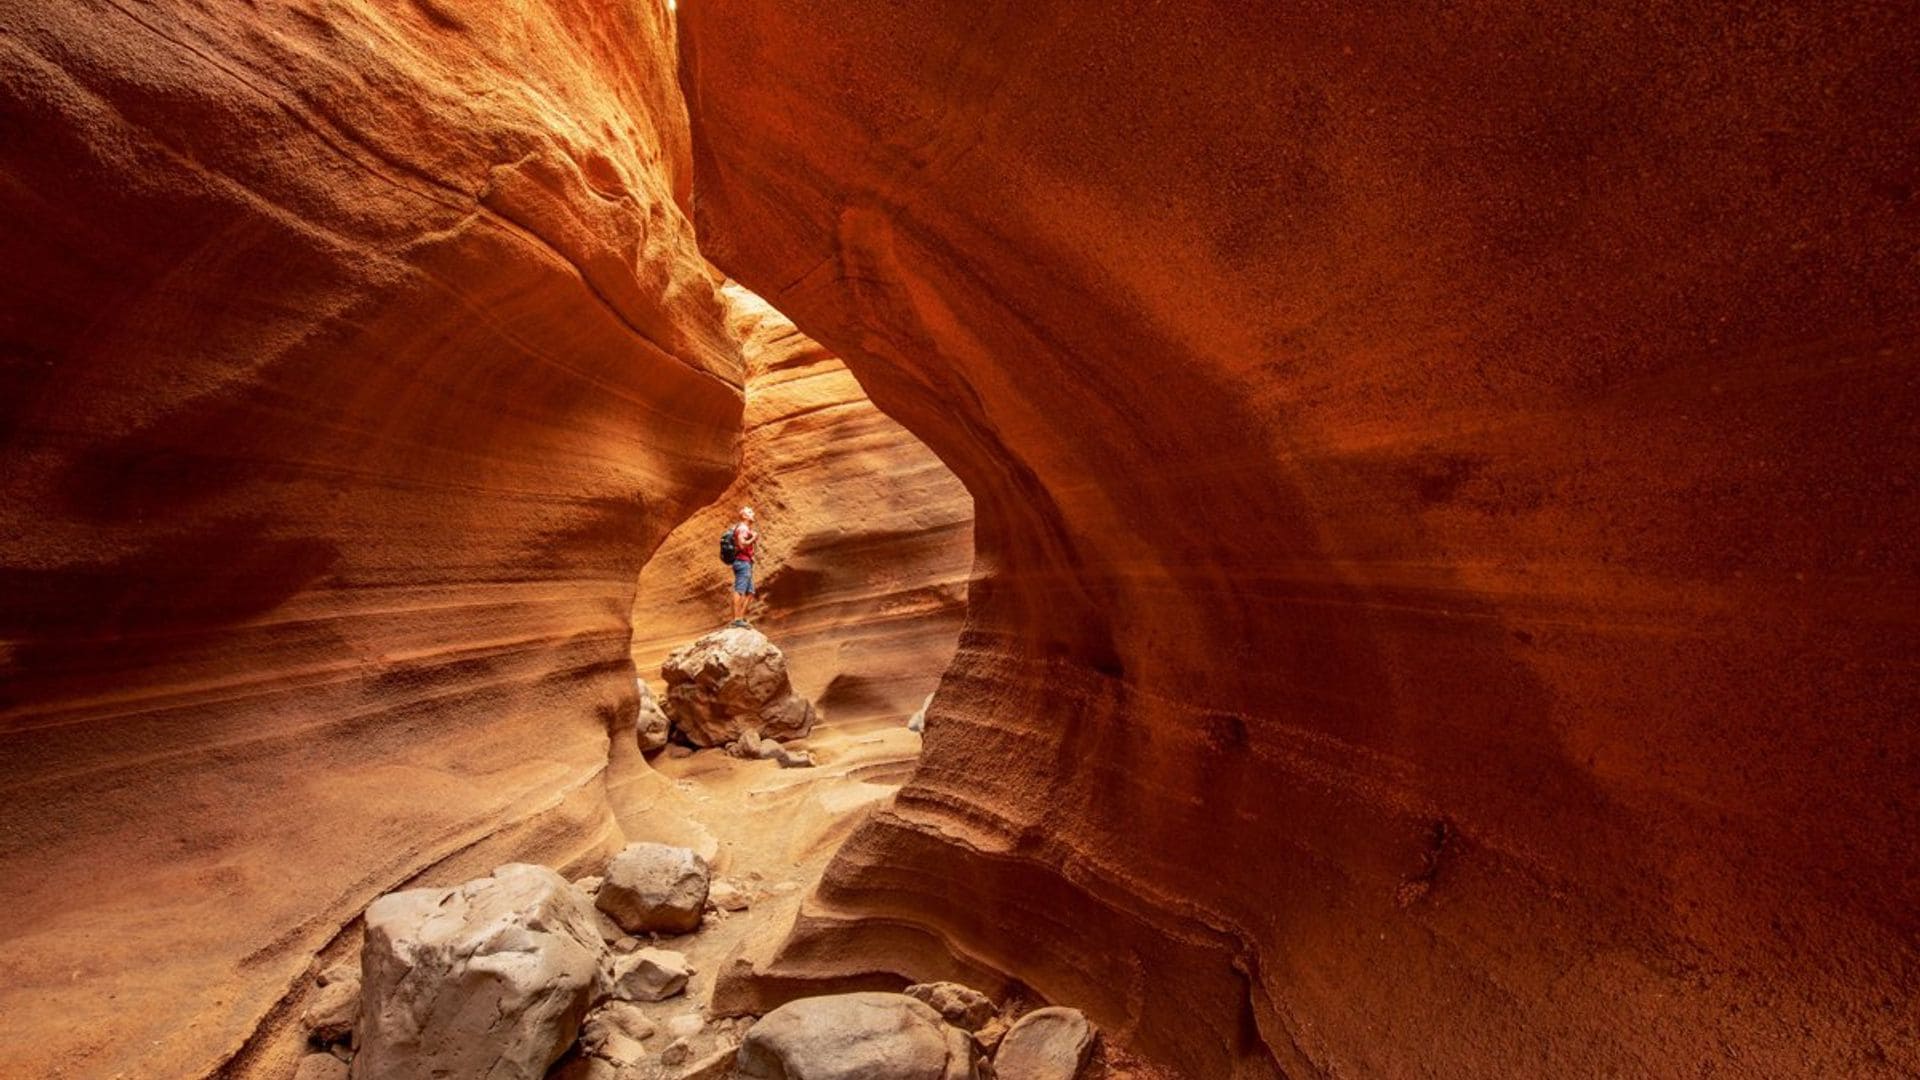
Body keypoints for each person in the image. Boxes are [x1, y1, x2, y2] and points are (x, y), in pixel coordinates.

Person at [728, 506, 758, 627]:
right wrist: (754, 538)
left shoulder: (745, 529)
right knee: (740, 590)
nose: (753, 513)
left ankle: (741, 617)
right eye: (750, 512)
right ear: (744, 516)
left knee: (750, 592)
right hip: (742, 562)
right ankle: (736, 620)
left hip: (746, 562)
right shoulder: (742, 528)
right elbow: (741, 545)